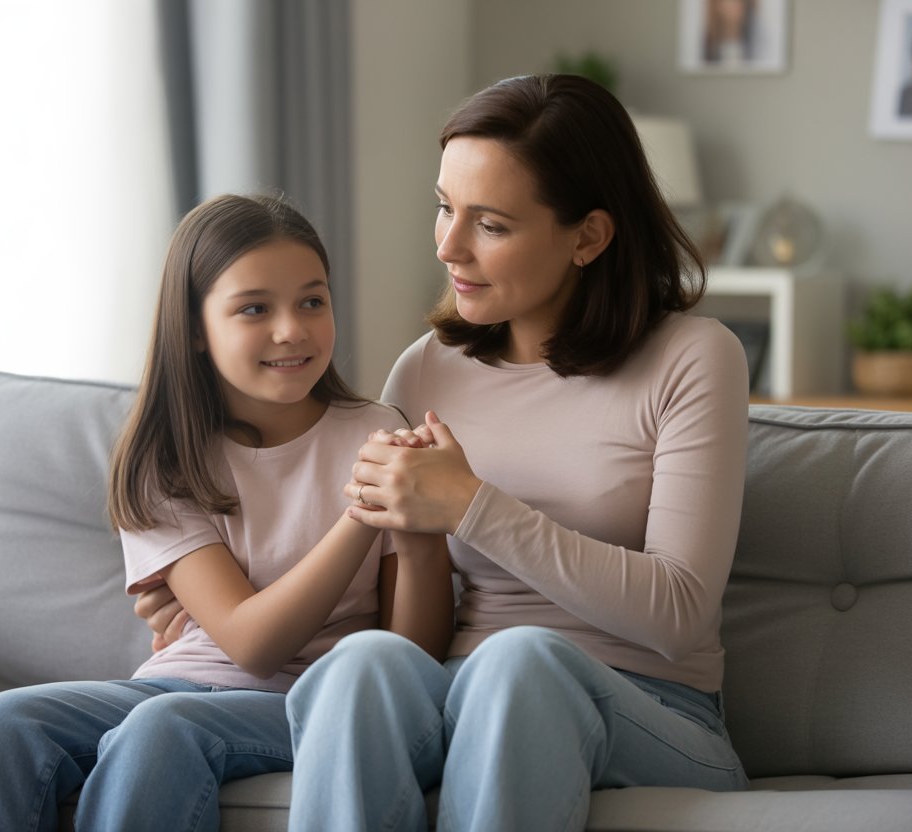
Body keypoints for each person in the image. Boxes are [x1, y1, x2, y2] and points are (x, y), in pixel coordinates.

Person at [140, 74, 751, 831]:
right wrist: (200, 593)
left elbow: (680, 613)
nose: (448, 245)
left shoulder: (694, 358)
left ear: (588, 236)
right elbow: (391, 568)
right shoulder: (425, 370)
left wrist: (474, 506)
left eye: (490, 224)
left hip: (653, 707)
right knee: (364, 665)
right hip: (457, 692)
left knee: (520, 660)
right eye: (444, 207)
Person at [0, 193, 454, 832]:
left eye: (312, 301)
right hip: (176, 683)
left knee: (163, 729)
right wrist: (361, 514)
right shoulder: (165, 458)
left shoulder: (377, 431)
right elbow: (250, 639)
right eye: (254, 308)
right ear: (195, 330)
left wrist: (422, 529)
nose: (291, 328)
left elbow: (415, 653)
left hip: (309, 702)